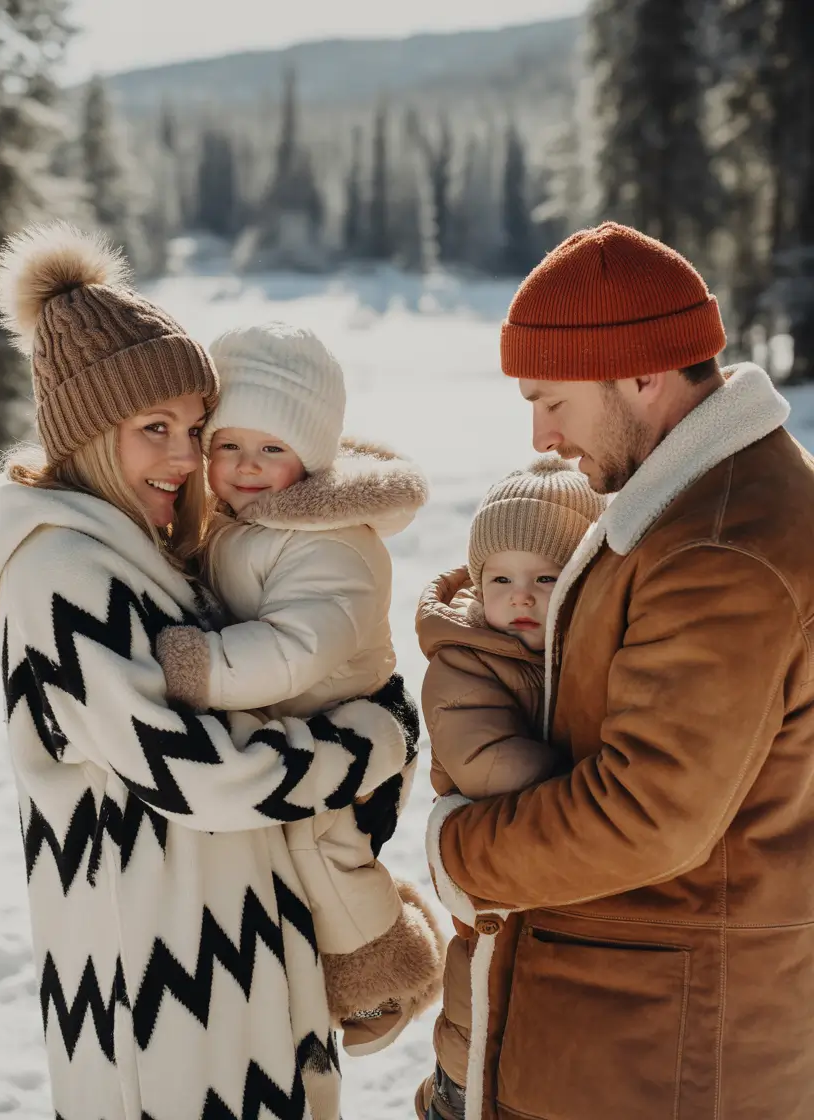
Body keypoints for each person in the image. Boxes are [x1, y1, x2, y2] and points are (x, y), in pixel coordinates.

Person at [0, 222, 419, 1120]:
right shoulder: (63, 574)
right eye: (154, 429)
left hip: (240, 967)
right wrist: (371, 741)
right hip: (161, 999)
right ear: (92, 434)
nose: (185, 458)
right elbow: (200, 774)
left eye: (195, 429)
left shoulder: (150, 552)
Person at [426, 221, 814, 1120]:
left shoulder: (721, 548)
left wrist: (460, 853)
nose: (541, 434)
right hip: (638, 1039)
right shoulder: (692, 503)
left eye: (553, 401)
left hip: (663, 1056)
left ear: (641, 375)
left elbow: (647, 812)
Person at [155, 321, 442, 1057]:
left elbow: (296, 650)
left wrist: (203, 668)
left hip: (352, 726)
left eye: (273, 449)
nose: (247, 465)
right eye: (229, 445)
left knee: (322, 843)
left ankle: (388, 977)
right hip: (299, 724)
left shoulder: (331, 539)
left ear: (309, 457)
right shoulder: (237, 519)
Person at [413, 458, 605, 1119]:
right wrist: (598, 788)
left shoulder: (582, 653)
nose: (520, 596)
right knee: (482, 1027)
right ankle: (453, 1096)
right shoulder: (466, 660)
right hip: (493, 899)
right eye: (502, 579)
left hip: (552, 898)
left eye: (545, 577)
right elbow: (486, 761)